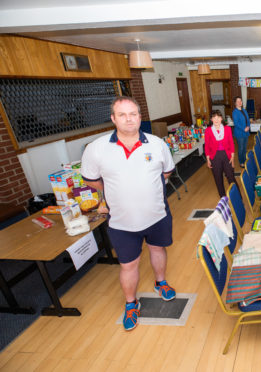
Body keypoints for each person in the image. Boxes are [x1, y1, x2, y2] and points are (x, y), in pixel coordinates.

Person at [81, 96, 176, 331]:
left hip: (157, 215)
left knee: (158, 249)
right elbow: (91, 181)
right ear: (113, 118)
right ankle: (131, 304)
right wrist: (120, 192)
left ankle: (160, 282)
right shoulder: (96, 148)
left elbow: (166, 174)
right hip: (122, 222)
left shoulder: (156, 144)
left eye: (133, 113)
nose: (128, 119)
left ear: (140, 117)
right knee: (128, 265)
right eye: (122, 115)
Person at [205, 110, 237, 197]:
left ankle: (237, 197)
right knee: (218, 178)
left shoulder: (227, 129)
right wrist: (208, 159)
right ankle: (223, 198)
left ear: (221, 118)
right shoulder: (208, 131)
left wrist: (232, 158)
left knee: (231, 177)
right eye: (214, 118)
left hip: (226, 155)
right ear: (211, 119)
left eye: (218, 117)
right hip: (214, 157)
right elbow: (207, 146)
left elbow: (231, 143)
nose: (216, 120)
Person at [232, 96, 250, 168]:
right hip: (239, 133)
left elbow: (248, 120)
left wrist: (248, 126)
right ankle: (241, 162)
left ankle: (245, 160)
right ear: (235, 103)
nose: (240, 102)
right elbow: (236, 123)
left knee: (245, 148)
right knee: (241, 148)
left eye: (241, 101)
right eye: (238, 101)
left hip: (246, 132)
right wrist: (244, 128)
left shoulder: (244, 110)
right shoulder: (235, 112)